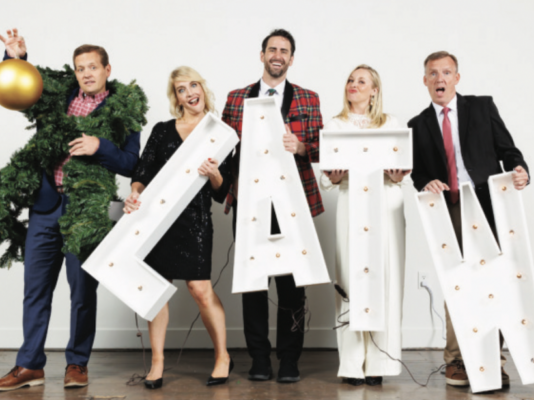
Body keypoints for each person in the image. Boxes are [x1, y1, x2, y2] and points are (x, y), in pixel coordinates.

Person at [0, 29, 145, 392]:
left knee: (82, 292)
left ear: (107, 69)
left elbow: (132, 163)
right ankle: (29, 365)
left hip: (87, 212)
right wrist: (16, 59)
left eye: (93, 67)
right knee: (35, 289)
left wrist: (100, 146)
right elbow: (25, 91)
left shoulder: (124, 110)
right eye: (80, 68)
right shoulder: (59, 97)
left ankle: (77, 363)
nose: (86, 74)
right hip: (46, 207)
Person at [408, 51, 529, 387]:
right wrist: (426, 182)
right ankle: (457, 361)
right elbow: (417, 172)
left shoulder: (481, 107)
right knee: (458, 284)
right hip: (449, 209)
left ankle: (493, 361)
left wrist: (520, 169)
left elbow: (508, 150)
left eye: (447, 72)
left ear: (457, 78)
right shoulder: (417, 125)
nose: (440, 79)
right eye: (433, 73)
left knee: (494, 283)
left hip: (489, 204)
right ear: (425, 81)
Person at [221, 28, 324, 383]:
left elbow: (322, 148)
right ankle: (259, 358)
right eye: (272, 49)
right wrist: (228, 185)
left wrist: (302, 147)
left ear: (291, 59)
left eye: (284, 50)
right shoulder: (237, 98)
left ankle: (290, 358)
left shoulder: (308, 98)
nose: (277, 55)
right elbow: (223, 148)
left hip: (292, 202)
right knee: (253, 282)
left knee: (293, 284)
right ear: (262, 55)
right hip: (250, 202)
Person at [124, 66, 233, 389]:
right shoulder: (162, 130)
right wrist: (135, 193)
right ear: (177, 98)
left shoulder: (221, 133)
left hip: (195, 220)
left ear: (202, 88)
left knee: (200, 289)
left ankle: (223, 356)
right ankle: (157, 363)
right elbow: (143, 172)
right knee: (156, 291)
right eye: (181, 89)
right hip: (157, 220)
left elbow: (221, 192)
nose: (189, 93)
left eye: (193, 85)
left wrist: (214, 173)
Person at [320, 65, 409, 387]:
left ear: (374, 91)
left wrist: (398, 175)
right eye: (350, 80)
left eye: (361, 81)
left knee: (386, 278)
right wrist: (333, 177)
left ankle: (380, 363)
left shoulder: (392, 124)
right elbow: (327, 175)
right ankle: (352, 363)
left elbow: (402, 170)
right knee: (350, 279)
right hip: (351, 204)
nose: (353, 85)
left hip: (386, 204)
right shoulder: (335, 125)